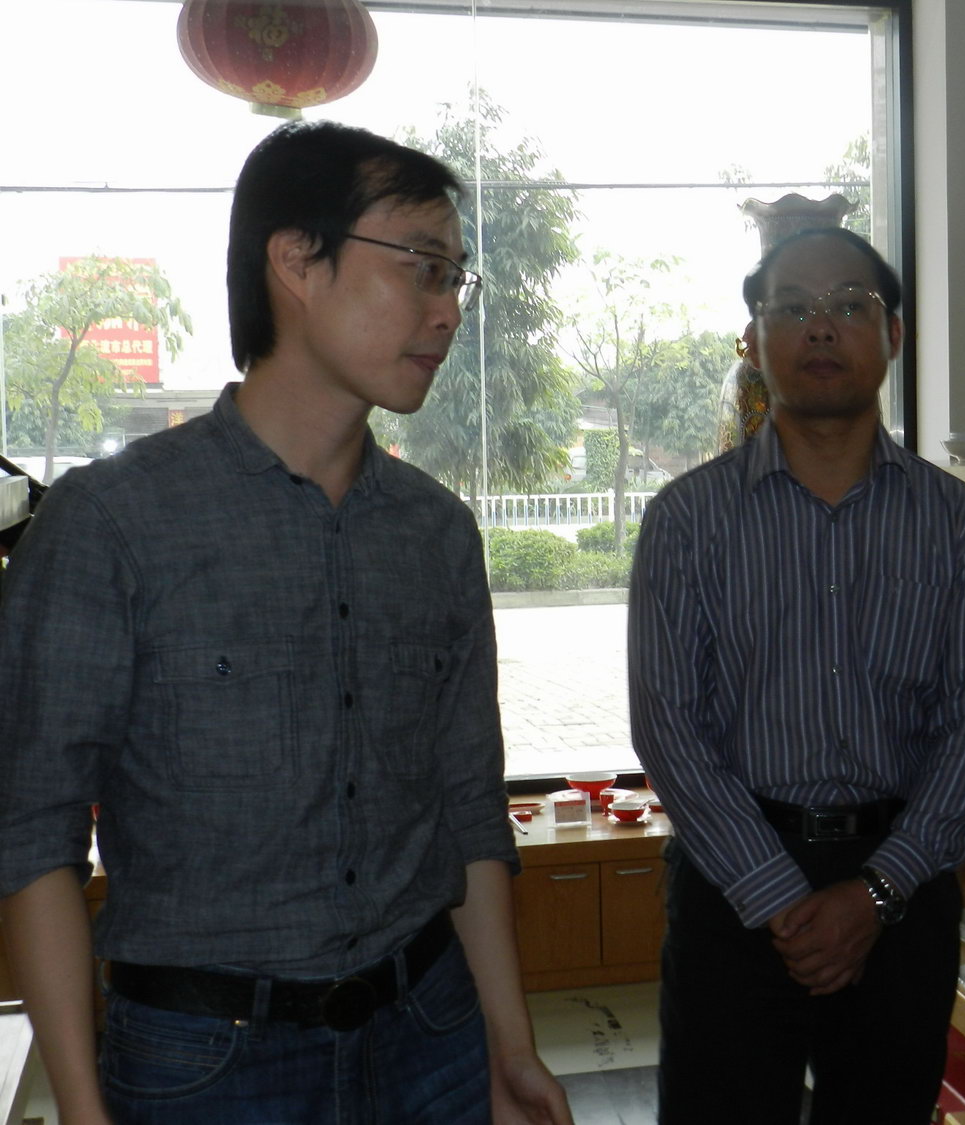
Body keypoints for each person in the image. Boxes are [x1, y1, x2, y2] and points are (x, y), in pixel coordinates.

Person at [0, 120, 572, 1125]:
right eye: (423, 267)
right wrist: (83, 1109)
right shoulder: (114, 522)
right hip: (205, 1066)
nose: (448, 310)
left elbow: (468, 812)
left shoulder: (437, 533)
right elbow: (32, 833)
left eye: (456, 279)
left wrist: (510, 1045)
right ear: (297, 260)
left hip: (429, 1034)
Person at [629, 227, 965, 1124]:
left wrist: (875, 893)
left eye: (849, 305)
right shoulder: (687, 519)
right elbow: (668, 726)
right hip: (732, 884)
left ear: (894, 334)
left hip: (901, 891)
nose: (822, 327)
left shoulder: (957, 522)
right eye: (792, 307)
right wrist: (780, 897)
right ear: (754, 340)